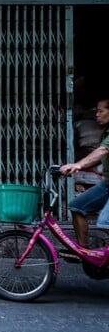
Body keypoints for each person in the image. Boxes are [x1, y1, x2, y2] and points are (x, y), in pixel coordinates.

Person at [59, 97, 109, 261]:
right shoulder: (105, 132)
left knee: (104, 221)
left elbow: (102, 151)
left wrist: (78, 165)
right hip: (107, 184)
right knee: (77, 206)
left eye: (101, 111)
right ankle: (84, 252)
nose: (97, 114)